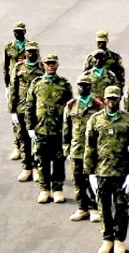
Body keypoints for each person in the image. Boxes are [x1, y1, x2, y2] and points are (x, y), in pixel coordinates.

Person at [84, 85, 129, 253]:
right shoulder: (95, 120)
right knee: (104, 207)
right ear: (104, 100)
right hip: (102, 171)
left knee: (122, 209)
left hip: (122, 172)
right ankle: (107, 239)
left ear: (120, 99)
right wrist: (90, 172)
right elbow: (90, 147)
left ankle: (119, 240)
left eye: (115, 98)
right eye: (109, 98)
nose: (112, 101)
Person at [25, 53, 73, 204]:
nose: (51, 65)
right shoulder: (36, 84)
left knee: (59, 160)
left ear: (57, 65)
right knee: (42, 160)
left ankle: (58, 189)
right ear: (43, 65)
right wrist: (30, 127)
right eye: (48, 63)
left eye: (53, 63)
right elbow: (29, 106)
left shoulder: (64, 84)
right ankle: (44, 189)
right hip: (41, 129)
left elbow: (69, 108)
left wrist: (69, 129)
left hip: (58, 130)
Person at [62, 74, 103, 222]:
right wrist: (66, 149)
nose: (83, 88)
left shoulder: (98, 105)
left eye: (86, 85)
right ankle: (82, 207)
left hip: (92, 150)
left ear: (90, 87)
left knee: (92, 180)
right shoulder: (71, 105)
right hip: (76, 149)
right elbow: (66, 129)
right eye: (80, 85)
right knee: (78, 180)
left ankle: (94, 208)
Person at [9, 41, 43, 182]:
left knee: (37, 140)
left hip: (37, 110)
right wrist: (12, 110)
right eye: (29, 51)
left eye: (34, 51)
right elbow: (13, 89)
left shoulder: (42, 68)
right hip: (22, 108)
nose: (31, 53)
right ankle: (26, 167)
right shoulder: (18, 68)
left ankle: (36, 167)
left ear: (37, 52)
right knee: (24, 139)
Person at [4, 22, 30, 161]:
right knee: (15, 117)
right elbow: (6, 66)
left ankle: (27, 147)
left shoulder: (30, 46)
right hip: (14, 83)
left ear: (24, 32)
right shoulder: (9, 47)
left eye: (20, 31)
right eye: (15, 31)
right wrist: (6, 86)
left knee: (26, 116)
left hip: (27, 83)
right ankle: (17, 146)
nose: (17, 33)